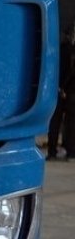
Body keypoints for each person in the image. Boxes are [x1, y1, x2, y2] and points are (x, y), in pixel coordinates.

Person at [47, 23, 75, 160]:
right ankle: (70, 152)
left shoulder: (58, 50)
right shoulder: (70, 51)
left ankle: (52, 152)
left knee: (55, 123)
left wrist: (59, 87)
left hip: (58, 91)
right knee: (70, 124)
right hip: (69, 92)